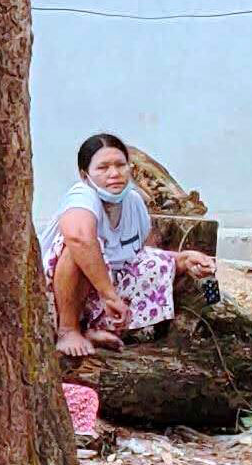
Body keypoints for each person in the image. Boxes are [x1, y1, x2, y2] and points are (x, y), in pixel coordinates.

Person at [43, 132, 218, 357]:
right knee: (80, 248)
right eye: (103, 168)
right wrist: (109, 296)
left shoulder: (134, 202)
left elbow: (134, 256)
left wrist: (183, 260)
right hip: (54, 294)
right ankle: (68, 329)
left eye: (120, 165)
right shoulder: (81, 195)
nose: (114, 174)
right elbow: (78, 238)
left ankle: (93, 329)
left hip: (102, 291)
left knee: (153, 263)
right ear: (85, 174)